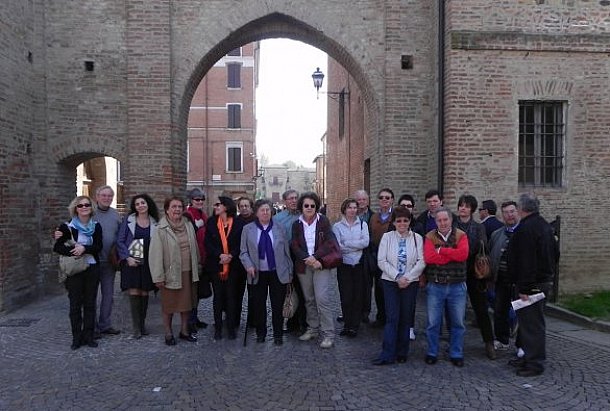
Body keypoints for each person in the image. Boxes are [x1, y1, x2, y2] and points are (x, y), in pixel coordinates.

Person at [507, 193, 557, 377]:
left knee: (532, 324)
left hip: (532, 285)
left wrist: (526, 288)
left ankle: (534, 363)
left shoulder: (526, 229)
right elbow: (555, 254)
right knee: (529, 323)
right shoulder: (544, 226)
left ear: (522, 209)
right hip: (541, 281)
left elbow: (526, 260)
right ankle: (528, 357)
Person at [373, 206, 425, 365]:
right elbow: (381, 260)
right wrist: (397, 277)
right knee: (392, 317)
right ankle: (387, 353)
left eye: (405, 220)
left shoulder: (417, 238)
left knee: (405, 317)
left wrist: (407, 278)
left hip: (410, 282)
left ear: (410, 222)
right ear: (394, 222)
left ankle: (402, 352)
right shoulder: (387, 237)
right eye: (399, 221)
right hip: (390, 282)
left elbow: (421, 261)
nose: (402, 223)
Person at [240, 199, 293, 345]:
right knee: (258, 305)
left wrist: (289, 272)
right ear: (256, 213)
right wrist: (248, 265)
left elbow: (286, 251)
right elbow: (243, 252)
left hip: (277, 272)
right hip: (257, 273)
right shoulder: (248, 229)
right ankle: (260, 333)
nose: (265, 213)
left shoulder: (280, 228)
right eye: (262, 210)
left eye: (268, 210)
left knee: (277, 305)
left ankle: (278, 334)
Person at [54, 196, 103, 350]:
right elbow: (58, 247)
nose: (83, 207)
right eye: (80, 205)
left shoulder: (96, 226)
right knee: (75, 305)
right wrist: (75, 251)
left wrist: (85, 249)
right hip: (75, 270)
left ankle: (89, 336)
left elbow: (98, 246)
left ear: (91, 207)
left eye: (87, 205)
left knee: (90, 304)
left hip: (92, 268)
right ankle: (77, 337)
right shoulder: (67, 226)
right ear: (75, 208)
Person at [291, 192, 339, 349]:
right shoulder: (296, 224)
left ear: (316, 207)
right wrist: (306, 258)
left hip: (320, 264)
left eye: (312, 205)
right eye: (306, 205)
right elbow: (294, 244)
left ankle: (328, 333)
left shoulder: (323, 221)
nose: (309, 208)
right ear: (301, 207)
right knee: (309, 299)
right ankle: (313, 328)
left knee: (322, 298)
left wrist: (316, 258)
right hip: (304, 265)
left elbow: (330, 242)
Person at [149, 196, 200, 346]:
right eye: (173, 207)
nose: (177, 209)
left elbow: (194, 246)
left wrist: (198, 266)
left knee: (186, 304)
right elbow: (155, 254)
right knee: (169, 305)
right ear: (167, 209)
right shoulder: (161, 229)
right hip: (170, 273)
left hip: (188, 271)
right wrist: (158, 276)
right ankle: (168, 333)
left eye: (179, 207)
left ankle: (184, 331)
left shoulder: (188, 225)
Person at [423, 207, 469, 367]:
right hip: (436, 286)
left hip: (457, 286)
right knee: (433, 323)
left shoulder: (461, 235)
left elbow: (463, 255)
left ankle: (456, 353)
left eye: (445, 220)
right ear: (435, 221)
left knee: (458, 323)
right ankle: (432, 352)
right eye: (439, 220)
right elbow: (429, 257)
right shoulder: (429, 236)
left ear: (451, 220)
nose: (442, 223)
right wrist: (451, 255)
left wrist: (442, 250)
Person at [455, 194, 495, 360]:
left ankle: (489, 342)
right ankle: (455, 342)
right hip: (456, 270)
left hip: (474, 272)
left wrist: (473, 248)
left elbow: (483, 246)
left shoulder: (478, 227)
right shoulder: (452, 224)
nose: (463, 208)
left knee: (481, 309)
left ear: (471, 209)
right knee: (455, 310)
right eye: (461, 205)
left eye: (466, 206)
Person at [116, 194, 159, 339]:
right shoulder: (129, 220)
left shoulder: (155, 222)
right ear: (134, 207)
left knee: (145, 291)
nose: (140, 205)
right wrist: (127, 257)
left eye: (143, 203)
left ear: (148, 204)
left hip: (148, 257)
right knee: (134, 290)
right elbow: (120, 241)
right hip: (133, 255)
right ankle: (136, 328)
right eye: (137, 204)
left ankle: (142, 325)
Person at [204, 196, 246, 340]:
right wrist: (220, 255)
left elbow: (241, 242)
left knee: (231, 296)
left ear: (226, 207)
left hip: (234, 266)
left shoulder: (238, 223)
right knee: (218, 297)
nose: (215, 207)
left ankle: (231, 326)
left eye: (218, 204)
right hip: (217, 265)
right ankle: (218, 327)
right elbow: (207, 243)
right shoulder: (211, 222)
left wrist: (231, 255)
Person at [332, 198, 369, 338]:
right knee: (346, 296)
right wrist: (355, 245)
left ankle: (354, 326)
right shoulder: (337, 227)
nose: (352, 210)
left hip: (359, 264)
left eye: (355, 207)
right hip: (344, 265)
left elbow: (365, 242)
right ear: (344, 209)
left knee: (358, 296)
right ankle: (347, 324)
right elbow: (338, 247)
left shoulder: (362, 225)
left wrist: (347, 243)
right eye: (350, 207)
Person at [274, 189, 306, 333]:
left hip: (302, 257)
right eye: (290, 198)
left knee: (303, 290)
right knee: (288, 290)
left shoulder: (305, 215)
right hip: (286, 257)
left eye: (295, 198)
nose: (294, 201)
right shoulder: (278, 219)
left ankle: (303, 322)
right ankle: (291, 321)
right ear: (285, 202)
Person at [489, 200, 520, 351]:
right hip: (501, 278)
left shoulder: (524, 232)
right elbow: (490, 253)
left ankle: (522, 344)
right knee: (500, 310)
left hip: (519, 280)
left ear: (517, 212)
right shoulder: (497, 234)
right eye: (506, 212)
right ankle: (502, 339)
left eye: (512, 211)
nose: (509, 215)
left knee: (522, 312)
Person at [93, 186, 122, 337]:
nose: (107, 198)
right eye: (103, 195)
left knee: (108, 295)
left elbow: (121, 235)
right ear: (97, 196)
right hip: (92, 262)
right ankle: (93, 327)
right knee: (91, 296)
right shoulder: (90, 212)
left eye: (110, 196)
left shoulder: (115, 214)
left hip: (109, 262)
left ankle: (105, 324)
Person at [368, 188, 395, 328]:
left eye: (388, 197)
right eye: (382, 197)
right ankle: (381, 317)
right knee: (378, 290)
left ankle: (390, 318)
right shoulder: (373, 217)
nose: (385, 200)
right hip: (377, 258)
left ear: (392, 200)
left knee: (389, 289)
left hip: (391, 259)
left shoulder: (396, 217)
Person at [185, 188, 209, 332]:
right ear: (191, 201)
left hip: (202, 257)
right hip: (192, 257)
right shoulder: (188, 215)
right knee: (191, 292)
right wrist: (195, 226)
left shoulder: (203, 215)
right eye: (197, 199)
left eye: (201, 199)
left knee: (198, 292)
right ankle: (190, 321)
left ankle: (194, 317)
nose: (199, 202)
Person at [396, 194, 418, 341]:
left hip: (412, 273)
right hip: (395, 274)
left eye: (409, 206)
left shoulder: (418, 227)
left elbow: (420, 254)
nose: (406, 208)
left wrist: (411, 275)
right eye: (403, 206)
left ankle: (409, 327)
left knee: (410, 303)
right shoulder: (393, 229)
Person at [354, 189, 374, 324]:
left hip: (367, 255)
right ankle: (350, 311)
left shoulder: (373, 216)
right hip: (352, 255)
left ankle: (364, 313)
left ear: (368, 201)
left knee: (366, 285)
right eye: (359, 199)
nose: (361, 202)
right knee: (352, 285)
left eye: (364, 199)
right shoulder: (350, 214)